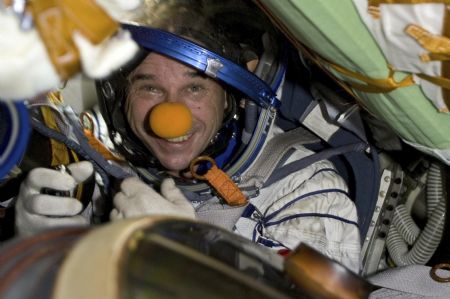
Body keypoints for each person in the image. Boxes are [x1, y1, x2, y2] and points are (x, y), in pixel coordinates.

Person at [7, 0, 361, 272]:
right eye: (150, 87)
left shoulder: (306, 189)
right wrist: (36, 243)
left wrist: (193, 256)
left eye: (194, 87)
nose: (171, 115)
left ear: (228, 99)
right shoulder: (98, 179)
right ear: (122, 99)